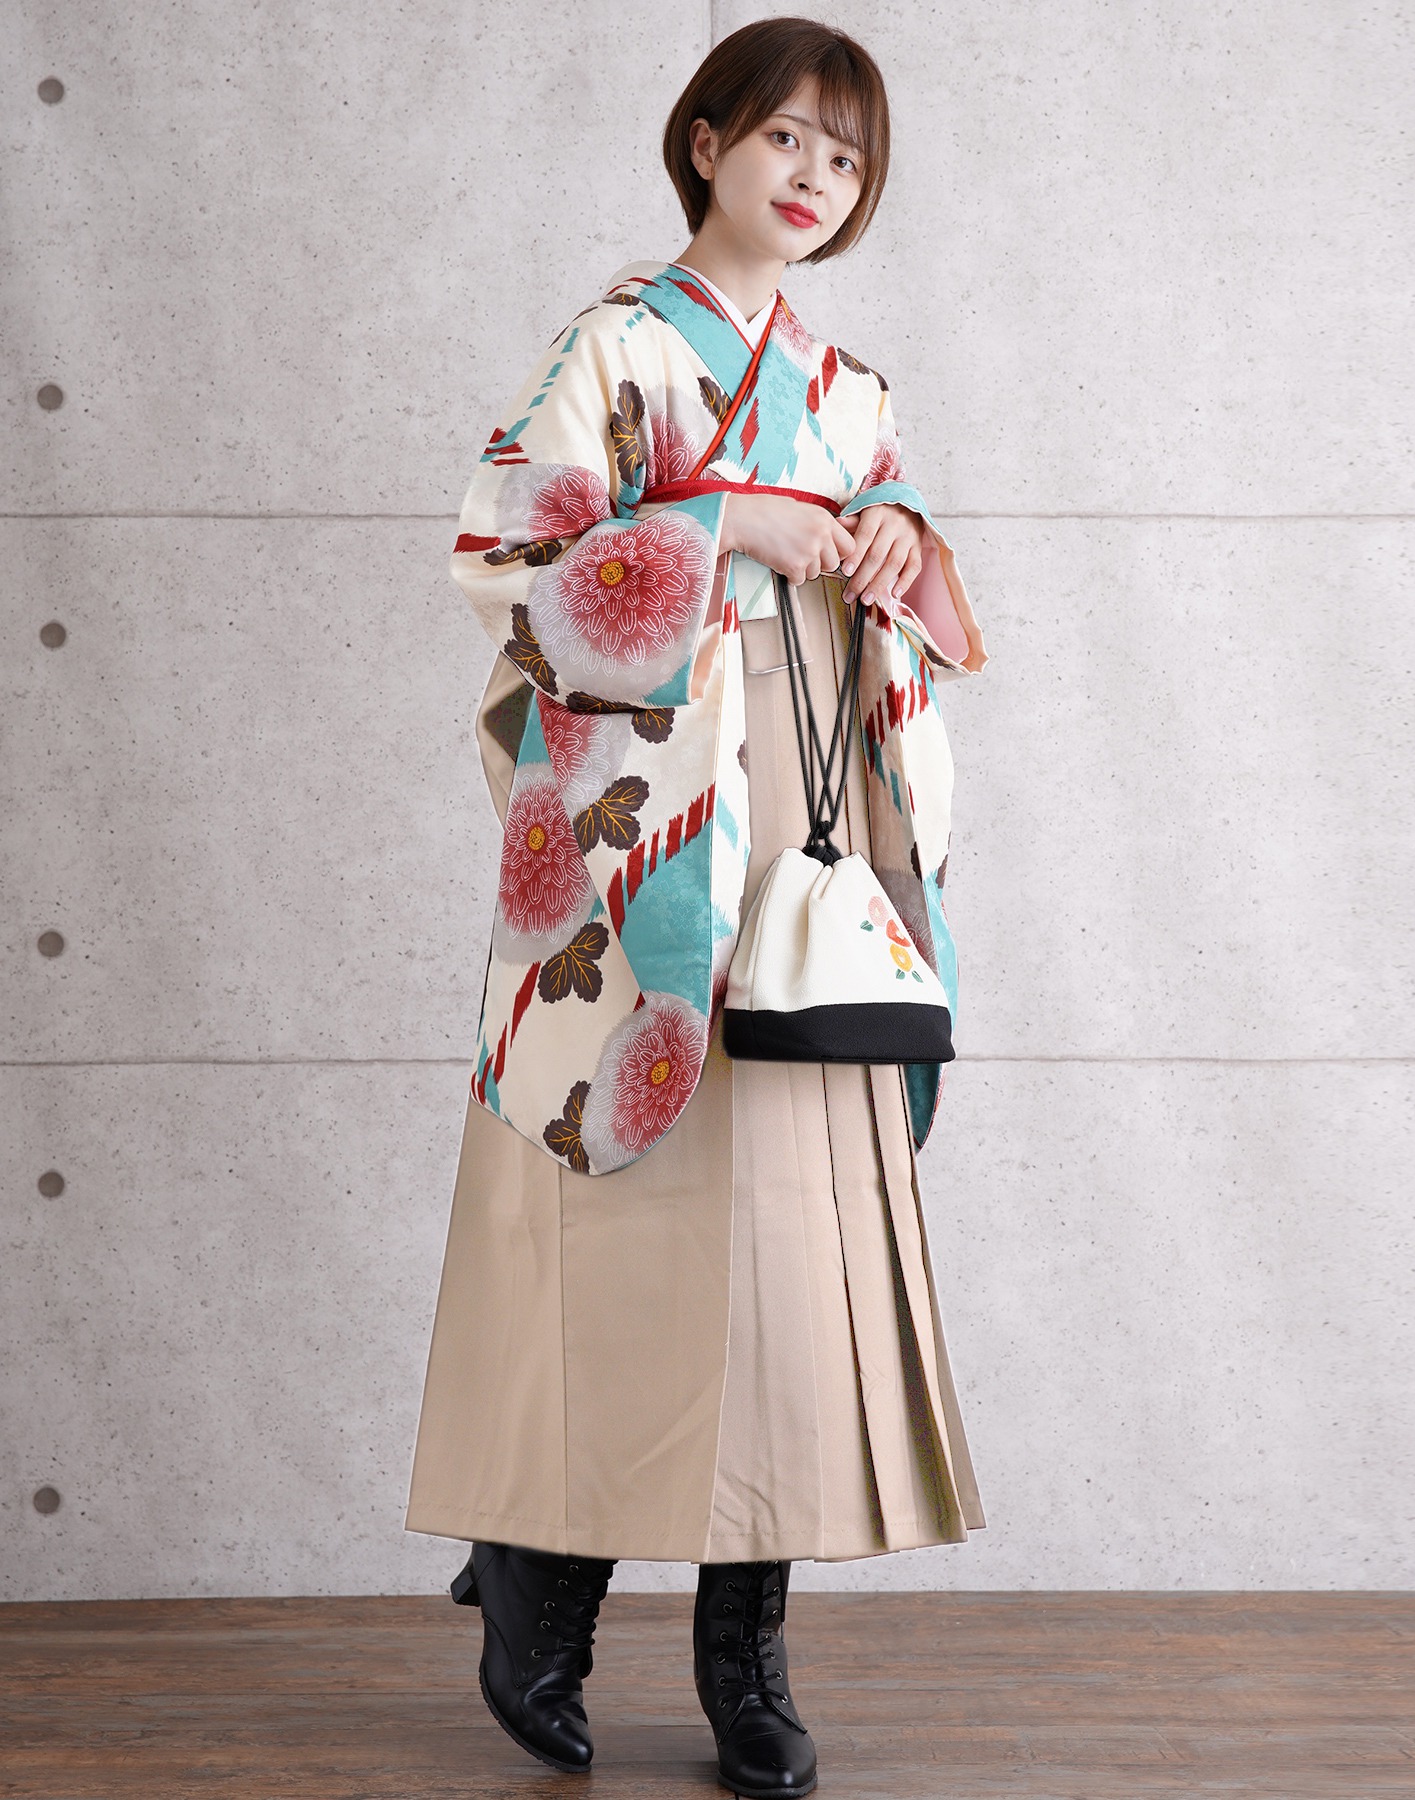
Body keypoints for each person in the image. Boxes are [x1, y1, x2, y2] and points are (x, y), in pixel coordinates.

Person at [404, 17, 988, 1795]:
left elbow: (914, 580)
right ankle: (541, 1584)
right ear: (708, 140)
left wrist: (893, 546)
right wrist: (726, 522)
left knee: (797, 1256)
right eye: (788, 139)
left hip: (805, 838)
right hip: (650, 844)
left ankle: (748, 1652)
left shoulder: (852, 386)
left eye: (848, 159)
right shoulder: (618, 345)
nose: (816, 179)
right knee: (619, 1232)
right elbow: (510, 560)